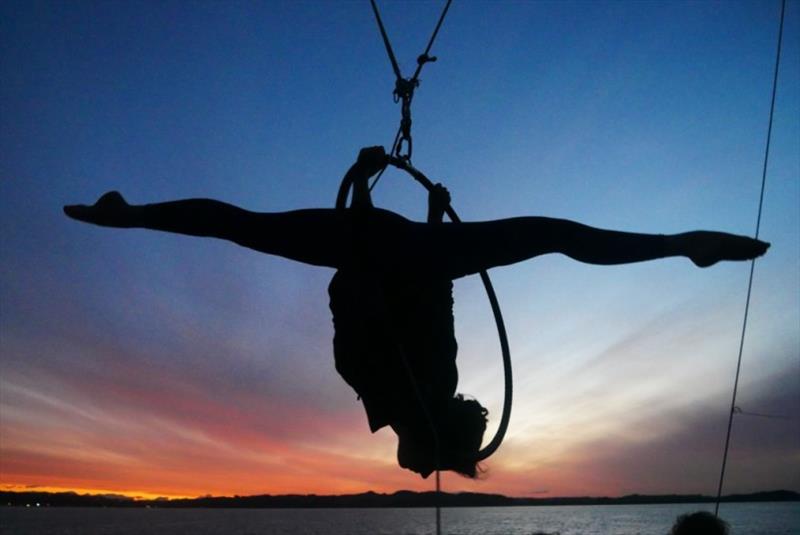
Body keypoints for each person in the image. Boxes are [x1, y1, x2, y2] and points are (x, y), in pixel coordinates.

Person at [63, 146, 770, 478]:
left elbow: (400, 300)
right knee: (241, 226)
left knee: (555, 234)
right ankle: (682, 247)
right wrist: (376, 204)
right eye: (418, 464)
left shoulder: (417, 383)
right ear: (417, 440)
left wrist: (373, 200)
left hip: (417, 252)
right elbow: (354, 294)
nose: (411, 470)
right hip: (403, 250)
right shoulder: (385, 388)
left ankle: (682, 246)